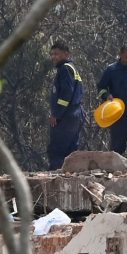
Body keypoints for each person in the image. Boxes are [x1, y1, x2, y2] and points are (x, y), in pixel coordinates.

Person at [46, 41, 85, 170]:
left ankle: (55, 176)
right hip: (75, 114)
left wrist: (56, 114)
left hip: (66, 116)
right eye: (52, 54)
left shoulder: (65, 69)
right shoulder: (72, 69)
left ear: (66, 54)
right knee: (71, 150)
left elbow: (66, 95)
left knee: (57, 149)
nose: (53, 57)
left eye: (56, 54)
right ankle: (70, 175)